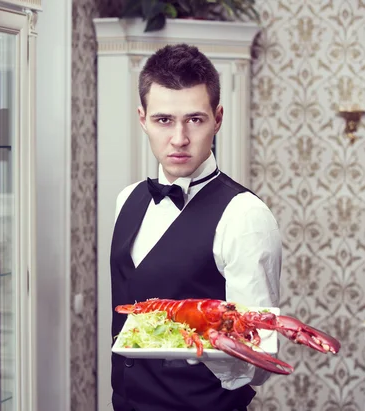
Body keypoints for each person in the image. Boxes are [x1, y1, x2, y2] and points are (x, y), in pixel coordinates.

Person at [109, 43, 282, 411]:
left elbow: (261, 355)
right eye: (163, 120)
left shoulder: (244, 216)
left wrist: (193, 351)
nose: (179, 138)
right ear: (142, 118)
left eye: (195, 119)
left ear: (218, 118)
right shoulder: (128, 199)